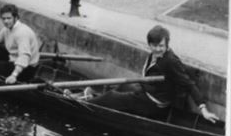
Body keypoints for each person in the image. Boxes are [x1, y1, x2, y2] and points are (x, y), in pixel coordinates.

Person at [86, 25, 218, 122]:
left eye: (161, 46)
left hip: (154, 105)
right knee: (122, 87)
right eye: (154, 46)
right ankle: (93, 99)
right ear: (149, 44)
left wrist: (204, 110)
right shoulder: (153, 55)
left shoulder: (170, 61)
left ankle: (87, 104)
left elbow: (189, 84)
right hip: (147, 93)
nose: (157, 49)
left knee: (112, 96)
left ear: (167, 44)